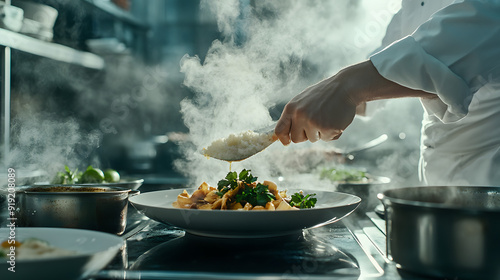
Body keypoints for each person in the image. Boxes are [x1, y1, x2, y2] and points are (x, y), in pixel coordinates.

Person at [275, 0, 500, 186]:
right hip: (439, 188)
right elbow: (381, 67)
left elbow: (475, 33)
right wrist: (315, 100)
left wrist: (344, 88)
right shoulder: (412, 7)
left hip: (489, 180)